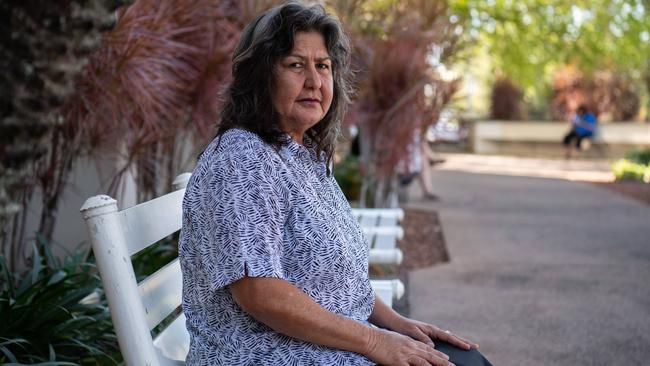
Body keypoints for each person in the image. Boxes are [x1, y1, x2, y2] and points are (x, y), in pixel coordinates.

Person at [179, 2, 492, 365]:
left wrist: (397, 325)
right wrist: (376, 342)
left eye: (323, 66)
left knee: (466, 360)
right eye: (296, 65)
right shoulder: (242, 160)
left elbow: (336, 277)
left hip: (317, 344)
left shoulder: (299, 153)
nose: (314, 81)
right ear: (260, 75)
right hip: (264, 353)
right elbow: (260, 292)